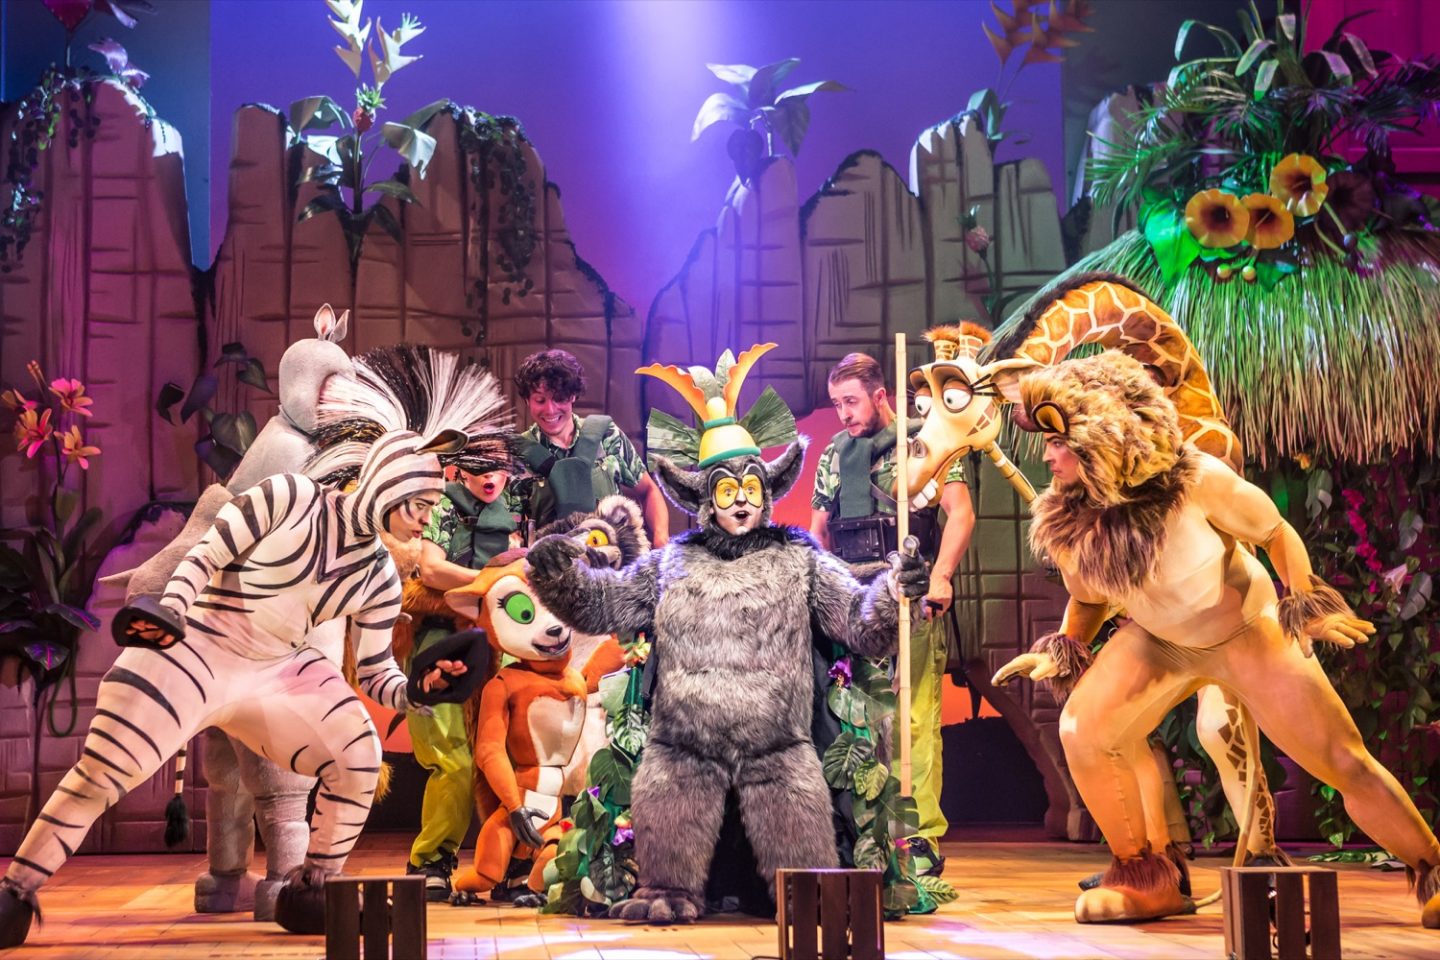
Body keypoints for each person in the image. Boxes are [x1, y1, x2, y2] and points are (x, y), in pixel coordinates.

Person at [995, 350, 1440, 927]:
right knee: (1084, 727)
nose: (1047, 457)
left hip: (1245, 632)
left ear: (1107, 432)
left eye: (1059, 442)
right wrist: (1063, 647)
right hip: (1160, 640)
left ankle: (1432, 865)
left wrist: (1303, 602)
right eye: (1047, 443)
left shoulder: (1197, 478)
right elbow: (1089, 599)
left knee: (1340, 759)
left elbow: (1275, 531)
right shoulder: (1067, 520)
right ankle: (1145, 877)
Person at [524, 343, 929, 923]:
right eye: (725, 490)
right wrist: (560, 579)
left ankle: (806, 889)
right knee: (666, 786)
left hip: (778, 742)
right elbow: (604, 603)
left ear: (768, 493)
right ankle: (669, 888)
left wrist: (893, 593)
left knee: (797, 804)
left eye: (751, 489)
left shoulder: (799, 558)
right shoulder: (673, 563)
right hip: (684, 742)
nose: (740, 502)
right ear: (704, 499)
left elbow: (861, 622)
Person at [808, 351, 974, 876]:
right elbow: (817, 532)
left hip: (911, 594)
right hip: (855, 605)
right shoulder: (835, 454)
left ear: (880, 395)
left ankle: (918, 835)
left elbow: (961, 513)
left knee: (913, 718)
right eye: (836, 404)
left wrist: (942, 575)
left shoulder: (926, 441)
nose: (843, 414)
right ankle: (863, 830)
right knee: (854, 714)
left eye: (851, 402)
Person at [402, 464, 521, 900]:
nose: (490, 476)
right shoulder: (442, 506)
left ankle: (513, 861)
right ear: (460, 470)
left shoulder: (518, 504)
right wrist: (495, 581)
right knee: (452, 759)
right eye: (479, 467)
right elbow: (432, 569)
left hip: (502, 640)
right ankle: (431, 860)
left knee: (512, 756)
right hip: (443, 640)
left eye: (498, 468)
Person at [512, 349, 668, 546]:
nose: (550, 410)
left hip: (612, 559)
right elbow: (510, 526)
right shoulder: (519, 454)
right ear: (527, 400)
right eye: (540, 400)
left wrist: (661, 538)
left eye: (559, 398)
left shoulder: (606, 435)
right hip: (550, 560)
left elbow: (648, 491)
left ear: (573, 396)